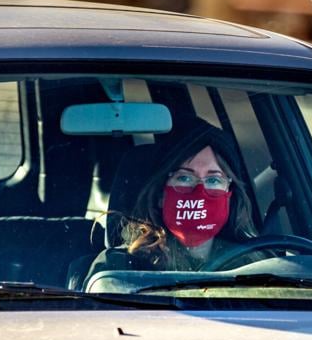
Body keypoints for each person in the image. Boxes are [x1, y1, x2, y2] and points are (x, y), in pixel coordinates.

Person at [88, 117, 258, 275]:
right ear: (160, 194)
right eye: (184, 177)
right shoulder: (122, 268)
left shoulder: (255, 267)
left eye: (213, 179)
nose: (200, 190)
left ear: (230, 194)